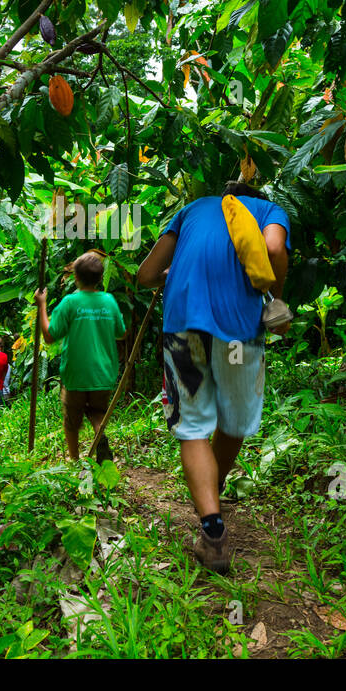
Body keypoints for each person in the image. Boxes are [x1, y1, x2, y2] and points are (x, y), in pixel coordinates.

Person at [136, 181, 291, 573]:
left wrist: (169, 276)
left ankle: (211, 527)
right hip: (240, 330)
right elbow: (273, 249)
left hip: (184, 325)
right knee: (233, 421)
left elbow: (147, 273)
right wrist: (277, 297)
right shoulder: (268, 210)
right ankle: (212, 501)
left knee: (192, 427)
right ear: (252, 195)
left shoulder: (193, 209)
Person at [34, 252, 127, 464]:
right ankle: (99, 436)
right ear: (100, 277)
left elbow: (49, 336)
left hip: (76, 373)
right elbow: (121, 332)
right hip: (103, 372)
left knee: (72, 420)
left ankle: (75, 461)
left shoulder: (70, 302)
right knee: (97, 411)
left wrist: (42, 305)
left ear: (76, 277)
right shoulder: (109, 301)